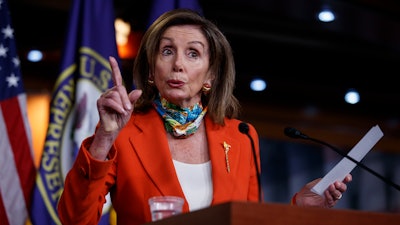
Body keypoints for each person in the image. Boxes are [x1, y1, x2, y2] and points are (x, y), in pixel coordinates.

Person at [57, 8, 352, 225]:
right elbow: (74, 220)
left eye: (193, 54)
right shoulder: (123, 132)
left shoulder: (241, 137)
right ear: (150, 69)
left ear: (210, 74)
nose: (178, 65)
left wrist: (299, 208)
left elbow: (248, 221)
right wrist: (104, 138)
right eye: (167, 51)